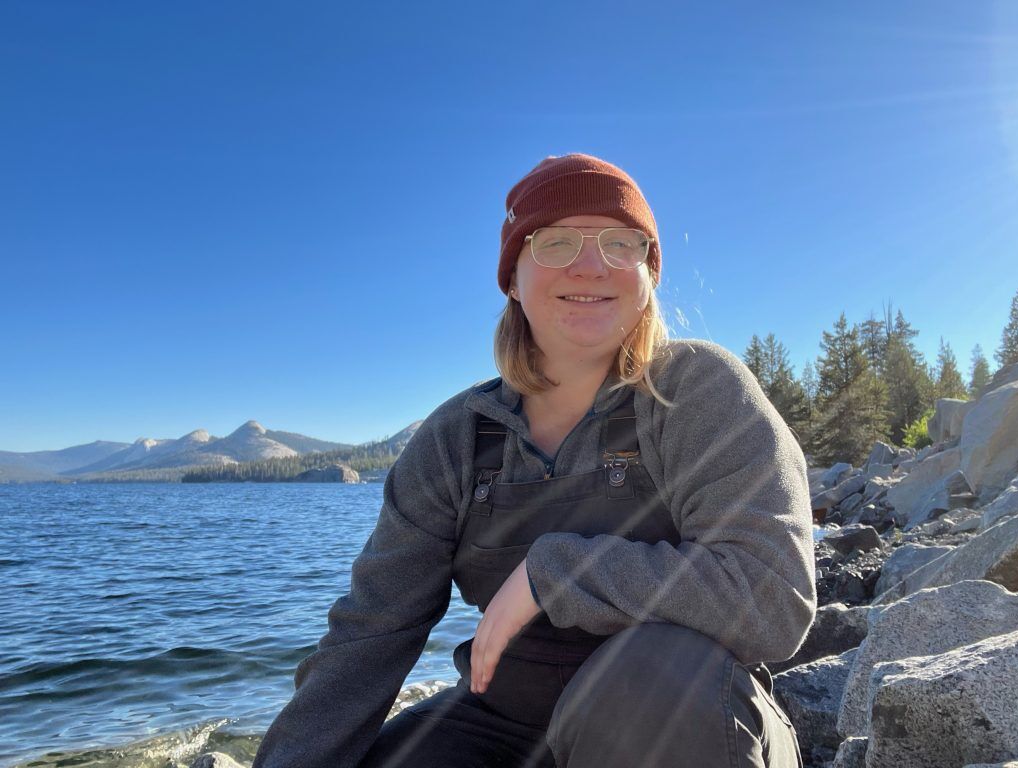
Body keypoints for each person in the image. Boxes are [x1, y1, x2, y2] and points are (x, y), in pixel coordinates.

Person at [251, 153, 816, 768]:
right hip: (501, 725)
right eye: (556, 243)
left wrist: (559, 574)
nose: (592, 264)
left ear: (648, 274)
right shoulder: (455, 438)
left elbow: (773, 598)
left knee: (648, 683)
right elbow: (371, 634)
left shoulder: (697, 389)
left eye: (620, 243)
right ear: (513, 279)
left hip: (687, 718)